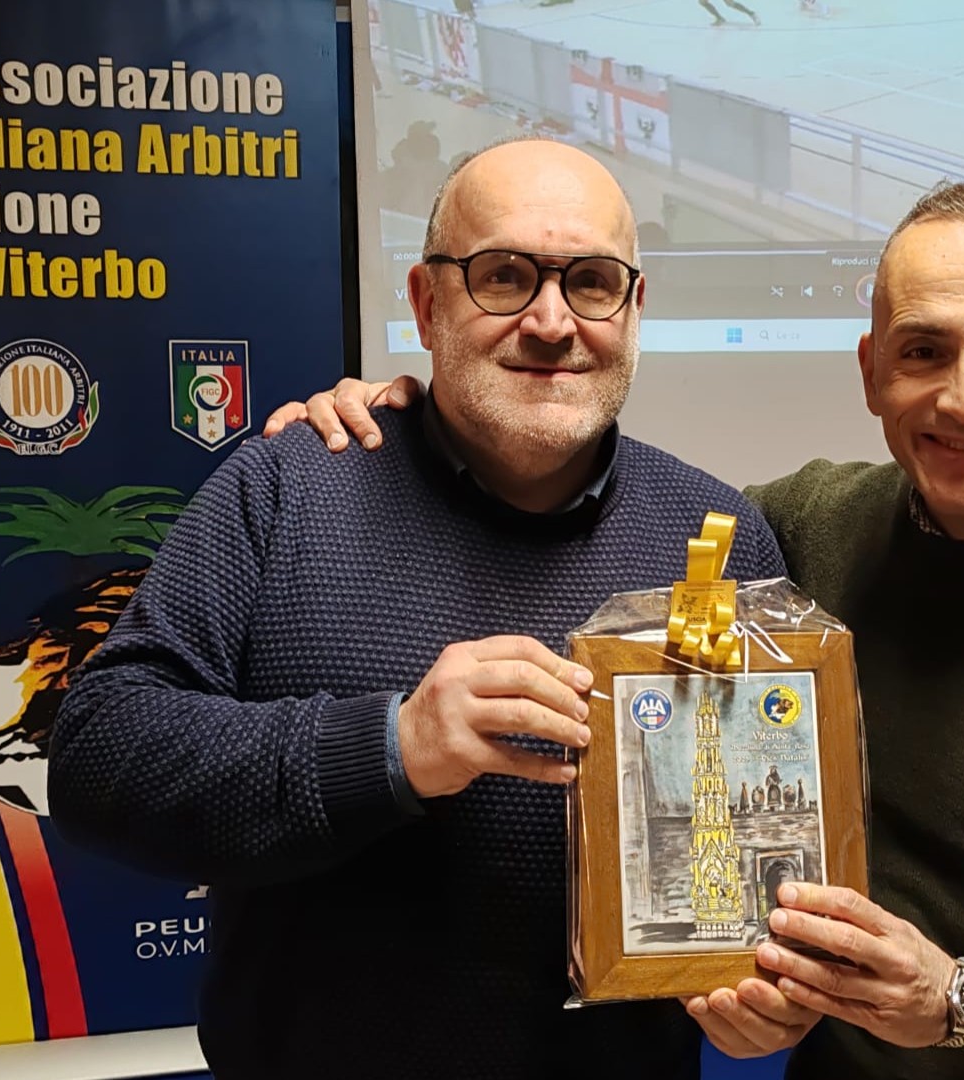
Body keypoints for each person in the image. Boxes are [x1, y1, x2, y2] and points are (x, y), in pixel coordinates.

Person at [269, 176, 964, 1078]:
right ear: (871, 371)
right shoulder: (804, 530)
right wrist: (425, 422)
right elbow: (595, 510)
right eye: (923, 352)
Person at [48, 138, 815, 1079]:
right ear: (424, 302)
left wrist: (764, 995)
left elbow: (745, 864)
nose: (551, 321)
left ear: (635, 306)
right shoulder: (289, 486)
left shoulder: (718, 537)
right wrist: (394, 747)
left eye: (591, 282)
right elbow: (96, 757)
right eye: (503, 276)